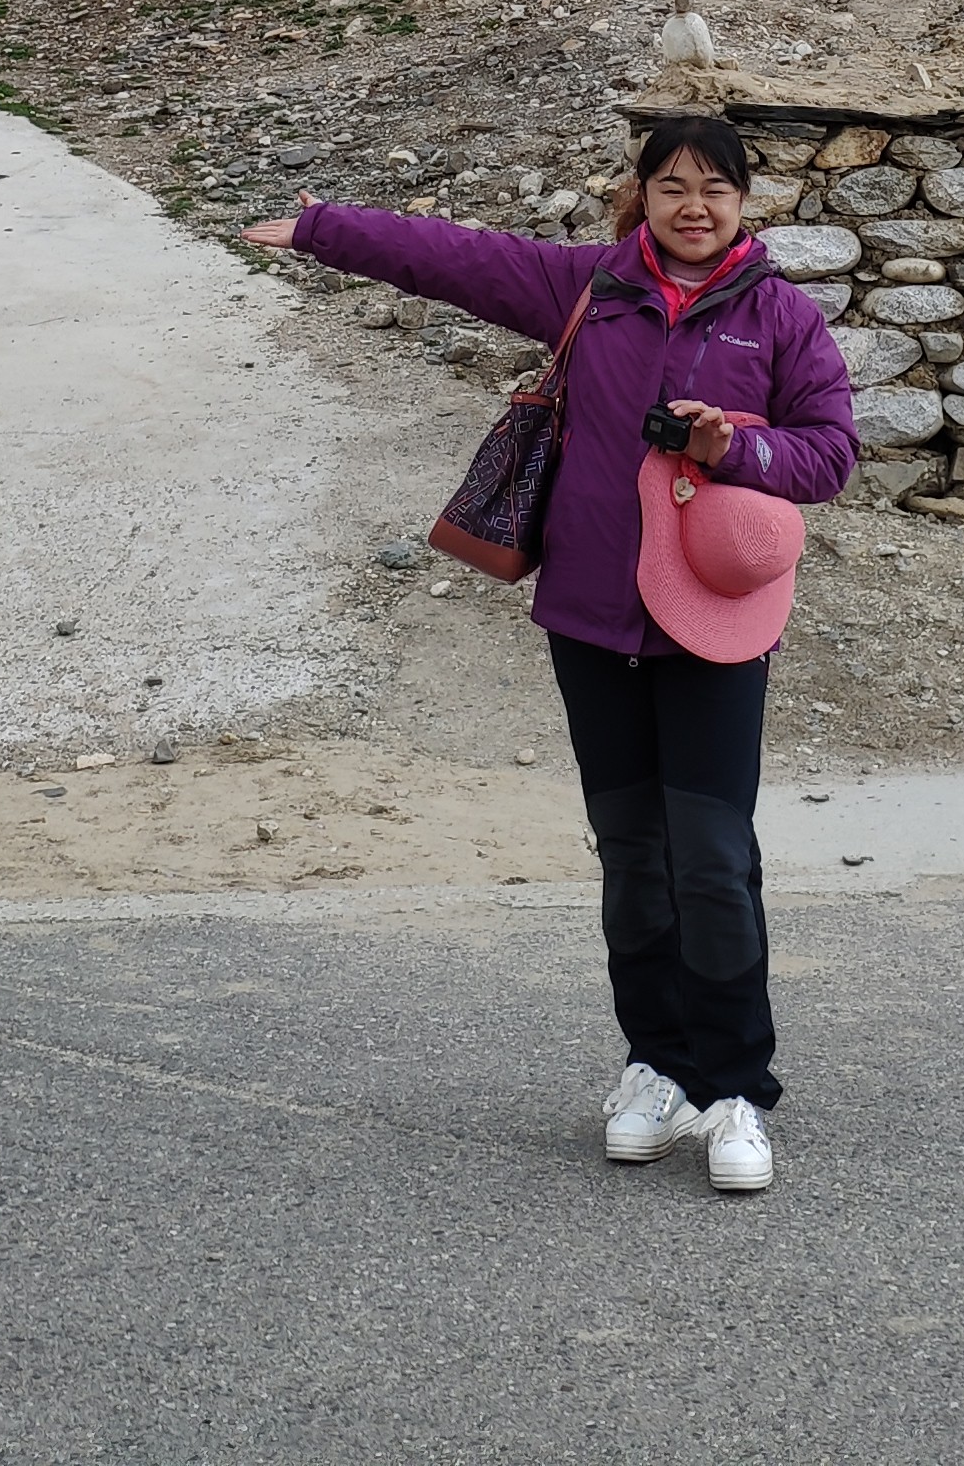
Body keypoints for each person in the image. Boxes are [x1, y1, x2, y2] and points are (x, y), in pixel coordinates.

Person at [243, 111, 853, 1193]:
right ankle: (656, 1067)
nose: (694, 205)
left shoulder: (781, 318)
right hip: (590, 621)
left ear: (745, 203)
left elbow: (830, 453)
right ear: (644, 195)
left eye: (716, 187)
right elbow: (455, 257)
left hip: (711, 628)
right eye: (672, 185)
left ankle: (736, 1092)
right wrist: (322, 227)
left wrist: (734, 446)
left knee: (710, 864)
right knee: (631, 860)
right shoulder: (588, 289)